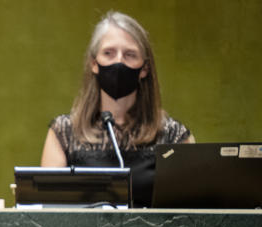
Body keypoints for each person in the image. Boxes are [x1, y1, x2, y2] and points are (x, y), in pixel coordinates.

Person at [40, 11, 194, 207]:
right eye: (108, 53)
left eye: (130, 55)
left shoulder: (173, 136)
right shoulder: (64, 132)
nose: (118, 62)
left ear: (144, 68)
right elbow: (48, 214)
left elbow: (191, 215)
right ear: (94, 63)